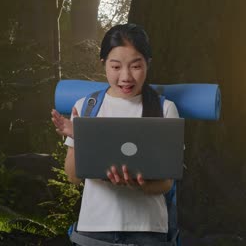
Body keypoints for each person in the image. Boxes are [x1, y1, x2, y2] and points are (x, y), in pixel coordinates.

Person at [51, 23, 179, 245]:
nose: (126, 76)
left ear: (147, 64)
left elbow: (166, 183)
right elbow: (73, 177)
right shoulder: (87, 107)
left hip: (147, 231)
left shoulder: (165, 109)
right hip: (94, 228)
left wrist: (137, 184)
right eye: (116, 66)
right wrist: (81, 137)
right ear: (104, 65)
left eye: (136, 66)